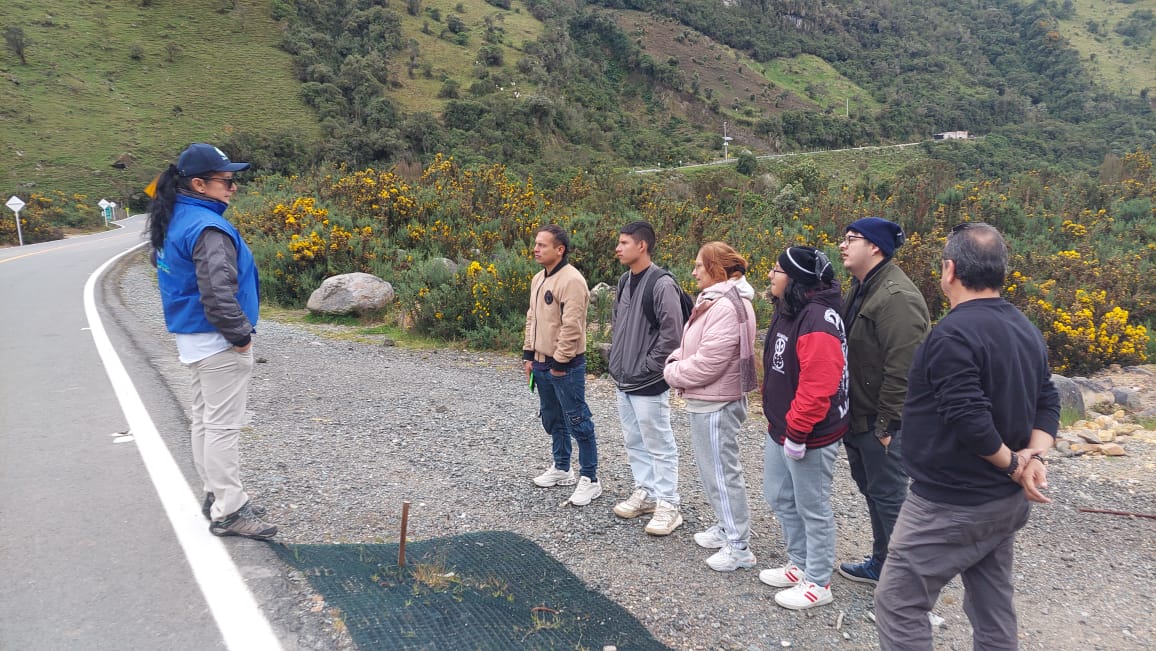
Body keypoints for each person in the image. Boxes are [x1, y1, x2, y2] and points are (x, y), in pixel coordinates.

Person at [874, 223, 1059, 650]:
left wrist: (1016, 464)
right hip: (1003, 504)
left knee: (899, 602)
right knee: (992, 603)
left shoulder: (953, 334)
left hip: (950, 502)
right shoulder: (1024, 326)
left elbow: (969, 418)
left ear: (950, 269)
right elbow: (1046, 398)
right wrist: (1036, 455)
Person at [146, 143, 276, 540]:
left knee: (205, 421)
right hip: (217, 341)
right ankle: (230, 511)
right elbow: (218, 294)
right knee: (223, 427)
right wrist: (240, 338)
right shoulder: (207, 227)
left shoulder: (174, 217)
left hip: (192, 337)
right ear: (200, 184)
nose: (233, 188)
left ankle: (216, 495)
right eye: (227, 181)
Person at [836, 217, 930, 584]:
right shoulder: (862, 287)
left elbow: (903, 368)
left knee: (891, 499)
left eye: (851, 239)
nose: (843, 245)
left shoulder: (896, 297)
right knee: (874, 492)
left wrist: (888, 425)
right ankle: (883, 564)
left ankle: (905, 583)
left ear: (874, 247)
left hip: (882, 421)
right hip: (860, 416)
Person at [760, 246, 848, 610]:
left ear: (795, 279)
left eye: (777, 270)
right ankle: (799, 563)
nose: (770, 275)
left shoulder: (818, 318)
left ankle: (818, 580)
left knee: (812, 506)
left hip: (809, 432)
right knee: (780, 496)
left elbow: (818, 385)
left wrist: (797, 432)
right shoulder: (789, 309)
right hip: (782, 426)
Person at [664, 242, 758, 570]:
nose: (693, 272)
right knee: (712, 470)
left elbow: (709, 362)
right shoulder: (719, 300)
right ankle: (726, 527)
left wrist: (672, 371)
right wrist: (678, 359)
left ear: (717, 269)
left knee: (721, 473)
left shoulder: (727, 305)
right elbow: (694, 347)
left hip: (717, 401)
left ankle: (738, 547)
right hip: (708, 399)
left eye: (699, 266)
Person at [608, 221, 684, 535]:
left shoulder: (662, 284)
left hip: (648, 380)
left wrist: (648, 366)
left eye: (624, 242)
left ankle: (669, 503)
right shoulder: (625, 280)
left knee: (659, 442)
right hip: (624, 378)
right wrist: (618, 363)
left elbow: (672, 334)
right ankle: (647, 492)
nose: (618, 248)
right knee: (634, 439)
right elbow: (617, 324)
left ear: (642, 246)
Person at [523, 224, 601, 506]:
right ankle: (562, 467)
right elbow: (532, 317)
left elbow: (572, 327)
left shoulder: (572, 281)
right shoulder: (537, 279)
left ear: (560, 249)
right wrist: (529, 355)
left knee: (578, 420)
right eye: (536, 243)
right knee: (552, 418)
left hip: (565, 366)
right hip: (542, 364)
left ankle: (590, 478)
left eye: (542, 245)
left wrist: (559, 362)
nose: (536, 249)